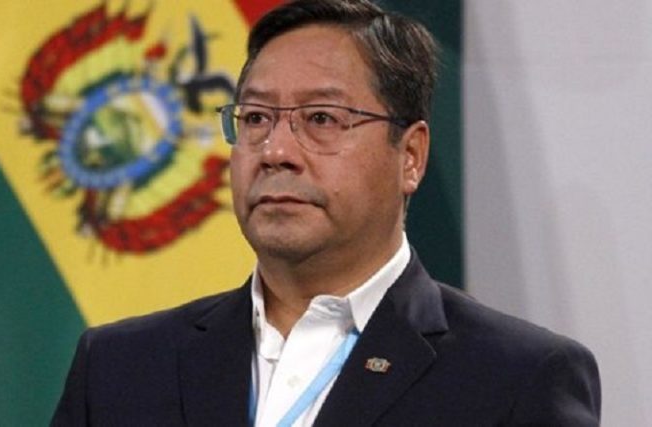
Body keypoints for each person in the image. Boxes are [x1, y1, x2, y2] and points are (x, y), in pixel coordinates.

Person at [51, 0, 601, 425]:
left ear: (410, 156)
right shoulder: (120, 368)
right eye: (256, 118)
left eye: (320, 119)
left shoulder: (515, 379)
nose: (276, 151)